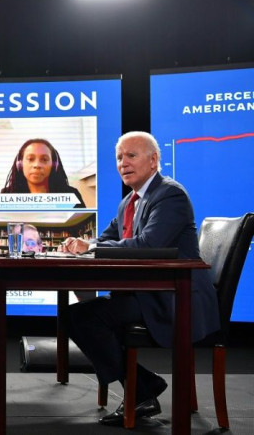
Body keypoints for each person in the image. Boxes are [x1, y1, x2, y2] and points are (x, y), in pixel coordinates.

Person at [60, 131, 219, 426]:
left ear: (154, 160)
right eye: (119, 158)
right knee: (76, 315)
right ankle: (142, 388)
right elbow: (106, 239)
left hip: (173, 298)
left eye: (131, 156)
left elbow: (148, 245)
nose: (123, 163)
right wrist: (80, 244)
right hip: (146, 293)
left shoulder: (170, 194)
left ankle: (141, 390)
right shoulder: (129, 202)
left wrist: (91, 248)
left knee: (83, 318)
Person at [1, 138, 86, 208]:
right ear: (19, 164)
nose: (37, 165)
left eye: (44, 160)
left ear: (54, 165)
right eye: (30, 159)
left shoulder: (71, 195)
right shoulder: (7, 194)